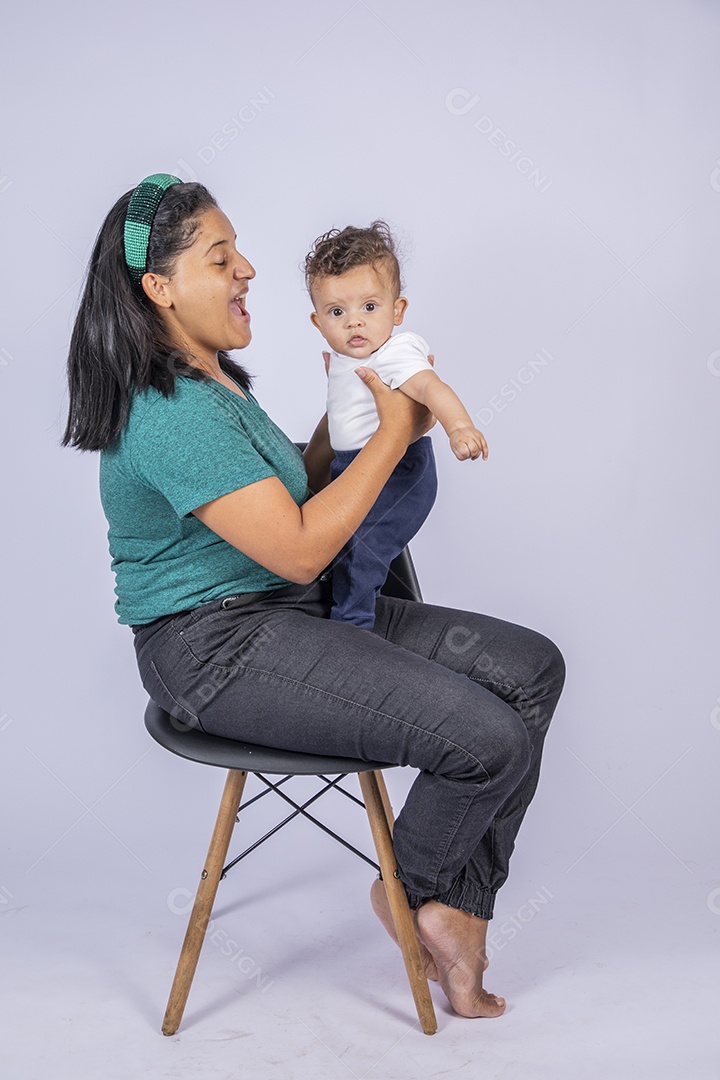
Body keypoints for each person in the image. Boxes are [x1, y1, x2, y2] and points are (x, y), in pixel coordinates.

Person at [63, 173, 565, 1020]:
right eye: (222, 258)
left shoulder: (217, 377)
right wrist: (402, 430)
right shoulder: (167, 410)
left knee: (531, 670)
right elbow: (297, 550)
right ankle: (416, 892)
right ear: (160, 287)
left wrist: (352, 422)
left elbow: (289, 492)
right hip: (215, 648)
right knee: (486, 735)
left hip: (286, 615)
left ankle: (453, 906)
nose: (247, 269)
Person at [305, 221, 488, 628]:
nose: (355, 322)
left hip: (400, 471)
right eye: (338, 312)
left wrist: (459, 427)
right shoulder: (344, 359)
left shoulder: (395, 351)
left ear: (397, 310)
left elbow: (431, 386)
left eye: (369, 307)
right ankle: (356, 610)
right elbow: (338, 421)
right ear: (318, 321)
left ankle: (351, 627)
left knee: (363, 549)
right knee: (335, 543)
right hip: (354, 465)